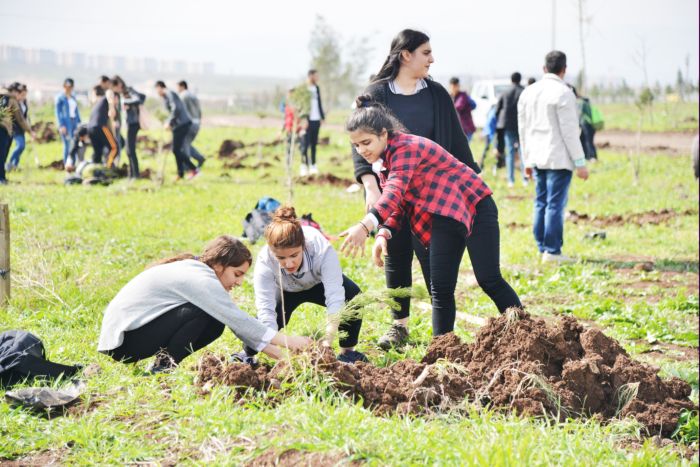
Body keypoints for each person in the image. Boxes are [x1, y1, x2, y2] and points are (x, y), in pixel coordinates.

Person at [341, 97, 521, 338]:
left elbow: (393, 193)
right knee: (441, 289)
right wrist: (383, 233)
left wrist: (365, 227)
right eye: (356, 146)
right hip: (443, 217)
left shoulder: (406, 147)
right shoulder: (384, 163)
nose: (362, 150)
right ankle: (442, 350)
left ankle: (526, 333)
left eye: (366, 142)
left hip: (474, 207)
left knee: (489, 279)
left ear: (383, 134)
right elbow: (399, 206)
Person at [351, 29, 480, 350]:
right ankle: (399, 327)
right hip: (389, 190)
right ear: (405, 54)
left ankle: (443, 335)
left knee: (433, 258)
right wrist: (369, 184)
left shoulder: (436, 94)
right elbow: (359, 139)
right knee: (395, 253)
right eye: (426, 52)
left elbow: (457, 141)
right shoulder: (377, 93)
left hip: (432, 195)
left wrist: (473, 185)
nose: (432, 59)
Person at [98, 235, 313, 373]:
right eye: (237, 274)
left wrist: (277, 353)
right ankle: (163, 368)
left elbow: (234, 323)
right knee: (204, 315)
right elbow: (237, 318)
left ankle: (163, 365)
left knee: (214, 321)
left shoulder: (197, 269)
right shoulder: (200, 279)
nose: (239, 282)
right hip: (124, 341)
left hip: (130, 337)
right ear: (219, 265)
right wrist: (289, 341)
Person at [233, 206, 367, 365]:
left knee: (353, 298)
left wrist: (327, 342)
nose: (288, 263)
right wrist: (277, 348)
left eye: (294, 255)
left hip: (317, 284)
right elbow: (266, 310)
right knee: (265, 321)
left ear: (303, 246)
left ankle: (348, 354)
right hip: (285, 290)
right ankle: (247, 354)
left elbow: (335, 295)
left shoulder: (320, 249)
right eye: (281, 257)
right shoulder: (265, 262)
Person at [517, 50, 590, 263]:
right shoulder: (563, 92)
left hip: (536, 157)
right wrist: (580, 162)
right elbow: (570, 131)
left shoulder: (528, 92)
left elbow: (523, 130)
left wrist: (526, 160)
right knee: (555, 204)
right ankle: (552, 251)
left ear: (544, 69)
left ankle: (542, 247)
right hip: (558, 158)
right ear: (564, 70)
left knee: (541, 202)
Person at [155, 81, 198, 180]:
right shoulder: (166, 96)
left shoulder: (169, 93)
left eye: (156, 89)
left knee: (176, 150)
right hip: (178, 125)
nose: (157, 92)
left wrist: (169, 122)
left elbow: (176, 108)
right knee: (176, 150)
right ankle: (181, 173)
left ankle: (193, 169)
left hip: (183, 124)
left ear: (160, 87)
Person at [496, 72, 525, 187]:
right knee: (523, 153)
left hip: (508, 126)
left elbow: (498, 109)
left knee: (510, 152)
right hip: (522, 125)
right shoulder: (524, 91)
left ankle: (510, 180)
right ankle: (525, 179)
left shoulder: (505, 92)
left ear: (511, 80)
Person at [300, 69, 325, 176]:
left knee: (314, 143)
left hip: (316, 120)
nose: (317, 78)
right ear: (310, 76)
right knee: (305, 144)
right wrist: (304, 118)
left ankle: (313, 165)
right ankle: (304, 165)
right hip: (307, 120)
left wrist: (322, 117)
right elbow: (302, 105)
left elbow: (319, 103)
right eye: (316, 76)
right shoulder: (304, 89)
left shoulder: (316, 88)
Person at [86, 85, 118, 166]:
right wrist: (112, 106)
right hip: (100, 126)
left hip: (90, 128)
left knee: (98, 151)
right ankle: (108, 167)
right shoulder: (105, 99)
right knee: (114, 148)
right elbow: (109, 92)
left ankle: (95, 170)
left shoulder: (97, 103)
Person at [177, 80, 206, 168]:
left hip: (189, 123)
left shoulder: (183, 96)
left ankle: (187, 167)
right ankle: (199, 158)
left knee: (184, 144)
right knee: (187, 143)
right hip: (196, 123)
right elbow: (199, 111)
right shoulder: (194, 96)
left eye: (177, 87)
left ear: (182, 86)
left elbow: (181, 111)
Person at [7, 83, 34, 171]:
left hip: (22, 128)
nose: (23, 97)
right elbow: (20, 119)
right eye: (22, 95)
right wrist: (30, 131)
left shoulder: (24, 102)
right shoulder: (14, 102)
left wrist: (29, 126)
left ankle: (15, 165)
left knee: (22, 146)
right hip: (16, 128)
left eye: (25, 95)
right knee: (21, 145)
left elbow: (25, 116)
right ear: (18, 93)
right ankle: (10, 163)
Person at [122, 83, 146, 179]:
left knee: (130, 150)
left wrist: (127, 101)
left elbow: (141, 98)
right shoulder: (130, 99)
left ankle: (135, 174)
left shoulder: (133, 97)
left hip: (133, 125)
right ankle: (132, 174)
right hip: (130, 125)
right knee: (128, 150)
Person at [55, 78, 81, 166]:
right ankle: (67, 163)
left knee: (75, 143)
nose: (68, 88)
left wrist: (79, 122)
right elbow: (58, 113)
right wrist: (61, 125)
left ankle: (73, 163)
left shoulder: (73, 97)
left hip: (74, 121)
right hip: (66, 123)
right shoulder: (60, 98)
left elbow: (76, 111)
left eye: (70, 86)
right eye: (66, 86)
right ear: (64, 86)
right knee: (67, 144)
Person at [448, 77, 476, 141]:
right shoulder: (450, 96)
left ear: (458, 86)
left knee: (464, 149)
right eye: (452, 87)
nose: (453, 89)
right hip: (456, 129)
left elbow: (458, 107)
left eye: (455, 86)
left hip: (466, 129)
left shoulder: (463, 95)